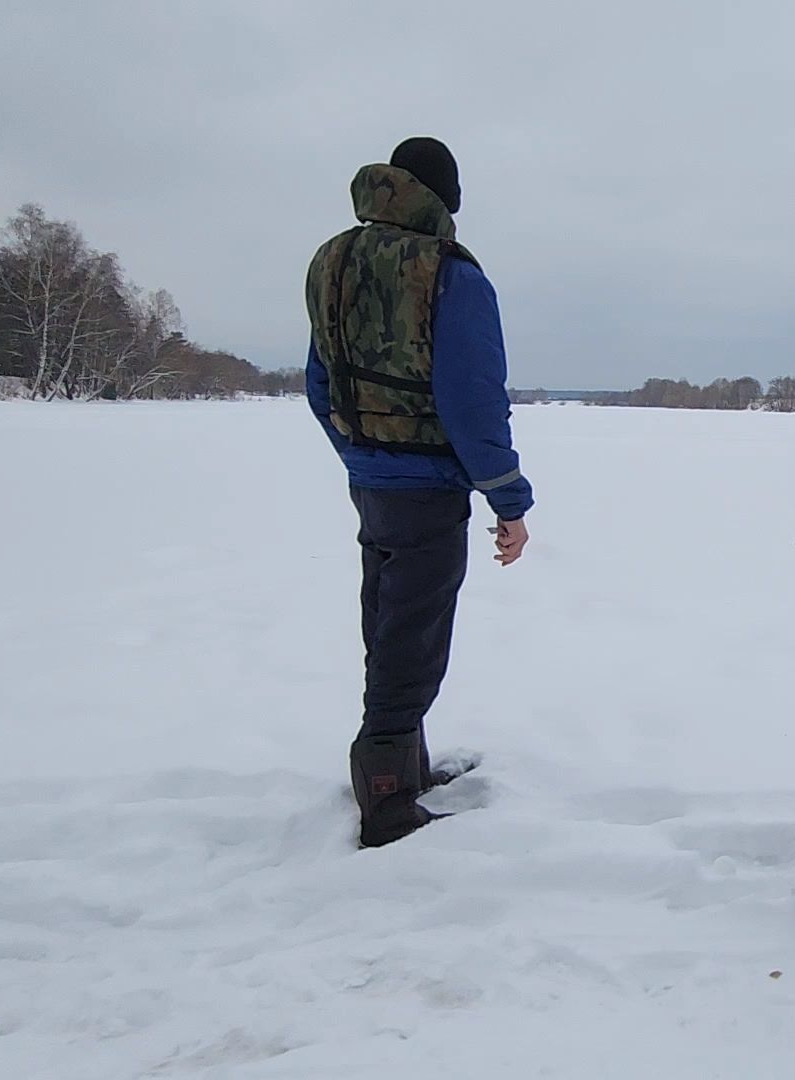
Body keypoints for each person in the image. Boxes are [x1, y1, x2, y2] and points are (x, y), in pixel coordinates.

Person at [305, 137, 534, 848]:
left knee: (389, 622)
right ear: (443, 198)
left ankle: (402, 764)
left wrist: (359, 454)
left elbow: (319, 381)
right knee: (415, 633)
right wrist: (508, 499)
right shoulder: (450, 272)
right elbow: (472, 398)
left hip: (370, 481)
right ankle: (386, 798)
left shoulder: (333, 260)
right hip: (427, 484)